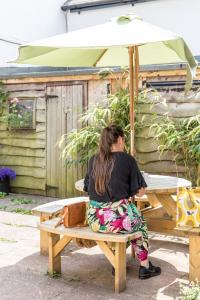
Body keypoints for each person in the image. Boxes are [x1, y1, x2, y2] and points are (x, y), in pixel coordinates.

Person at [84, 124, 161, 279]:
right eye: (123, 139)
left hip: (95, 219)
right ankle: (145, 266)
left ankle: (116, 262)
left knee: (128, 222)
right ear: (119, 139)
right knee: (139, 224)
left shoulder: (93, 160)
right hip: (116, 220)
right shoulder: (127, 159)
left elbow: (87, 187)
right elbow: (139, 193)